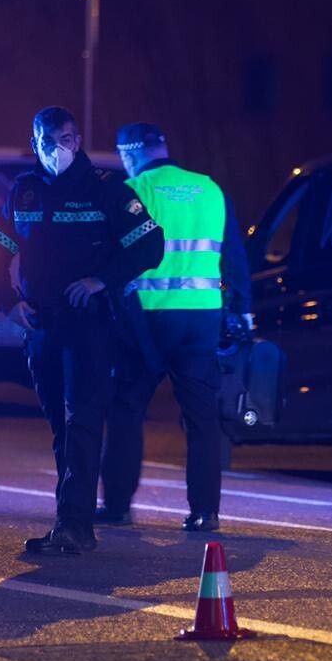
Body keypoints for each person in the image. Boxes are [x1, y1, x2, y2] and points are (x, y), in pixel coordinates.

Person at [0, 106, 165, 554]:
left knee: (82, 420)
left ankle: (76, 527)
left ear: (76, 140)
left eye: (63, 140)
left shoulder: (105, 190)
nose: (55, 149)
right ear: (35, 141)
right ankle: (69, 521)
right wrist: (8, 303)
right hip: (42, 326)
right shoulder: (24, 194)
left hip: (91, 326)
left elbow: (149, 243)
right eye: (46, 141)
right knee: (61, 427)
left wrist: (102, 280)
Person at [98, 122, 252, 533]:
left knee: (127, 408)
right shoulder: (210, 189)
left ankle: (116, 505)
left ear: (130, 153)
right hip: (202, 317)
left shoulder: (136, 190)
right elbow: (234, 257)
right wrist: (244, 312)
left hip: (147, 319)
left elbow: (115, 256)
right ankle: (205, 512)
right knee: (202, 419)